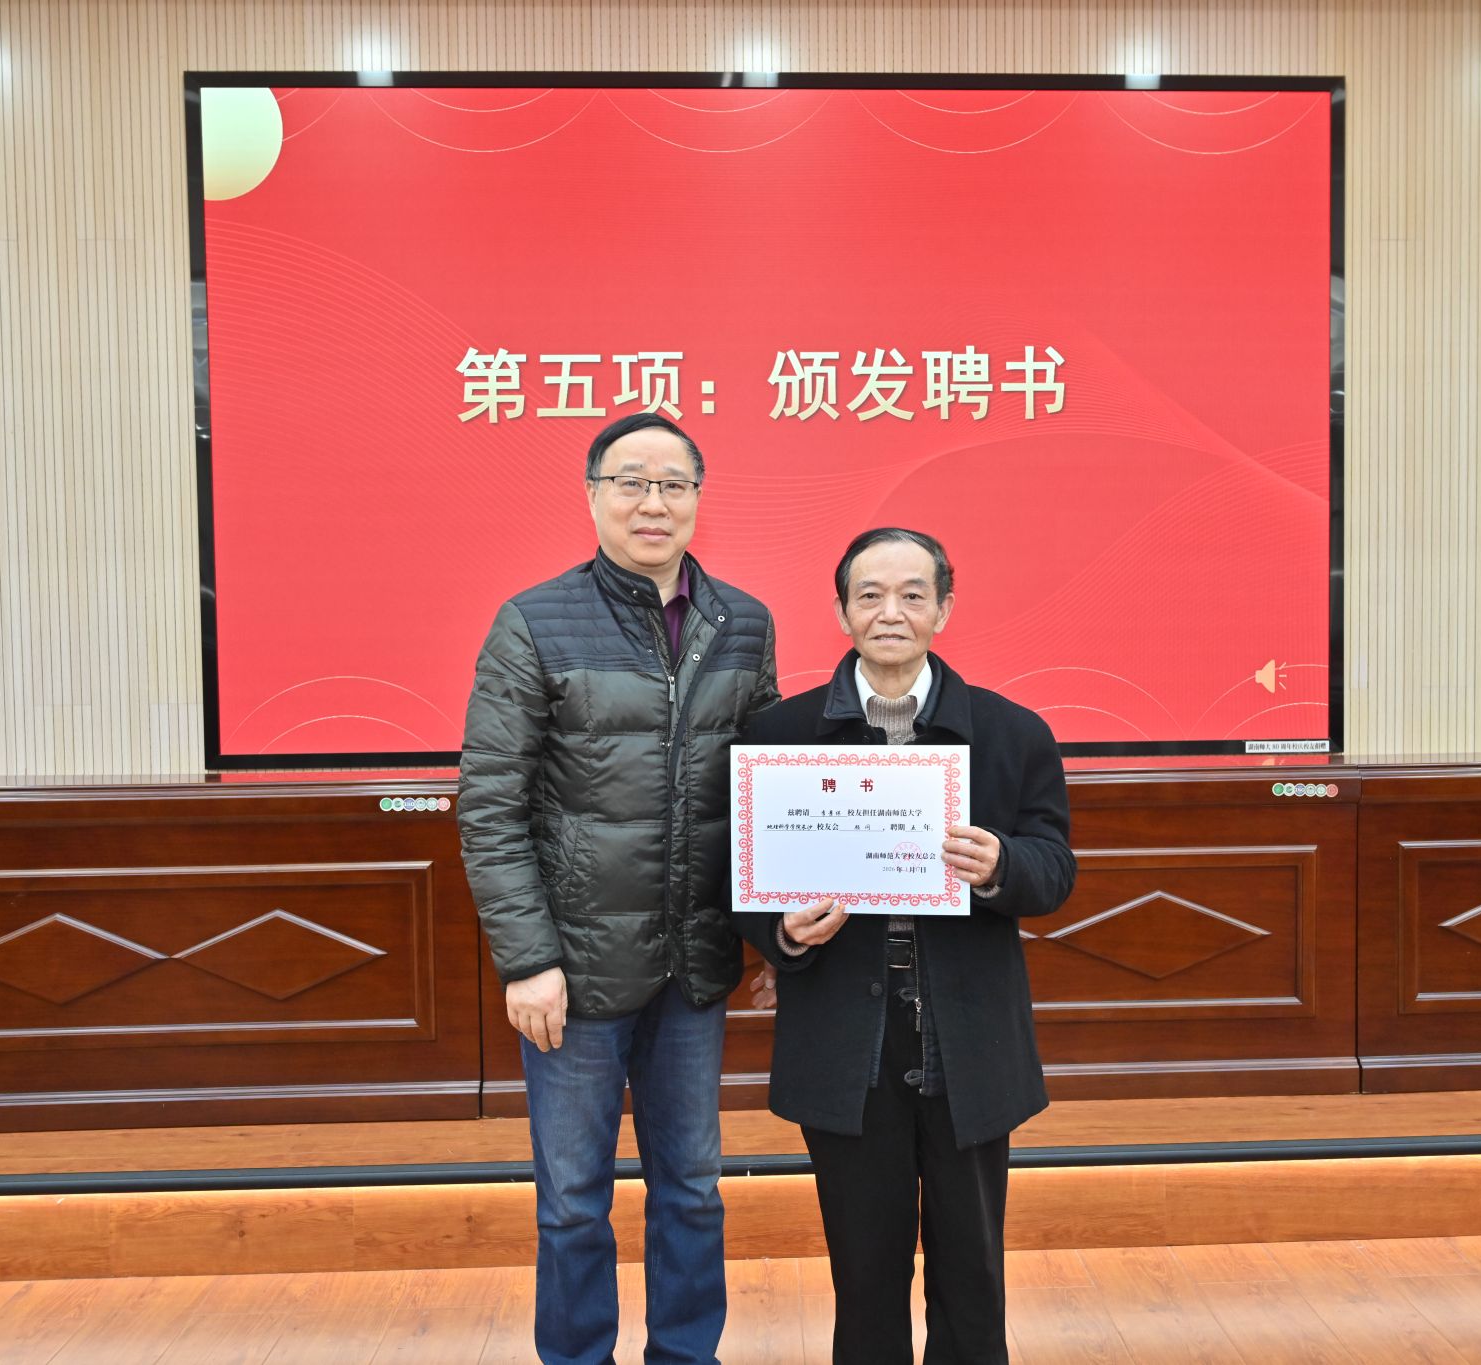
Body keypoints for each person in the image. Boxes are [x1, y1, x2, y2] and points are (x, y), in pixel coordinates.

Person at [459, 411, 777, 1365]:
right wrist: (527, 960)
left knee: (694, 1188)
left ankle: (686, 1354)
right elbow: (490, 805)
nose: (653, 502)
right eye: (631, 481)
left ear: (698, 499)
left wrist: (771, 934)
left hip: (693, 966)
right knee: (571, 1201)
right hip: (575, 973)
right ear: (594, 494)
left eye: (673, 484)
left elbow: (766, 791)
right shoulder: (535, 621)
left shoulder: (743, 622)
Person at [734, 527, 1075, 1365]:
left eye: (913, 594)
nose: (891, 612)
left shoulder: (1011, 732)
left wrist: (1002, 864)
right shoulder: (779, 734)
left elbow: (1055, 867)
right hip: (845, 1037)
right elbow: (740, 880)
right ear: (841, 611)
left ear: (944, 609)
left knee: (972, 1272)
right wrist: (781, 932)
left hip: (968, 1034)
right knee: (864, 1272)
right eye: (870, 595)